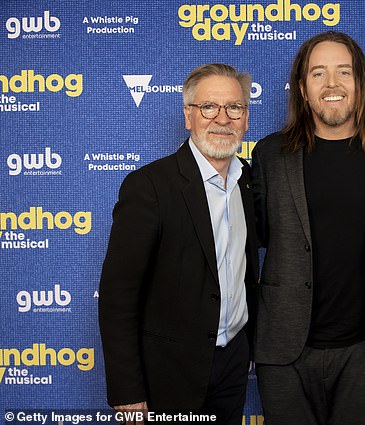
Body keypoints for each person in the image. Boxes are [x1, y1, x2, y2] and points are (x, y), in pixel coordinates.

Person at [251, 31, 365, 425]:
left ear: (361, 83)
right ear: (302, 89)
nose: (332, 85)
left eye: (345, 72)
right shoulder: (269, 156)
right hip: (284, 348)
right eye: (318, 73)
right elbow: (251, 235)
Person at [98, 63, 258, 424]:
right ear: (189, 115)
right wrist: (127, 391)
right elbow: (118, 295)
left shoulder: (247, 180)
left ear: (246, 118)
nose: (222, 118)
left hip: (233, 364)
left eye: (234, 107)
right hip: (168, 373)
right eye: (208, 107)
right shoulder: (149, 187)